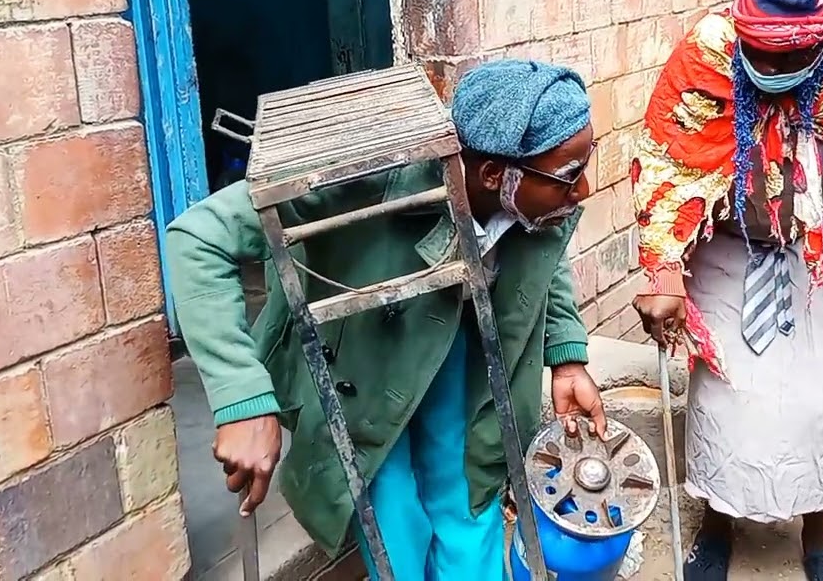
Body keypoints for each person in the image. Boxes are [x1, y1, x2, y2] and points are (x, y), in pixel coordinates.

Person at [166, 60, 608, 580]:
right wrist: (241, 398)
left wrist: (567, 355)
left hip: (461, 348)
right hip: (368, 362)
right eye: (568, 177)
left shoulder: (526, 190)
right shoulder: (364, 173)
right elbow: (195, 240)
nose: (582, 191)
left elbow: (541, 251)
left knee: (469, 496)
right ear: (494, 176)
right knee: (393, 520)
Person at [629, 0, 823, 581]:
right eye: (762, 51)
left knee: (819, 398)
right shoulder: (708, 53)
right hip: (728, 245)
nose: (772, 65)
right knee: (726, 397)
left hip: (813, 249)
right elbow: (666, 155)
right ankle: (717, 522)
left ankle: (818, 532)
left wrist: (804, 118)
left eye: (790, 57)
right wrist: (664, 269)